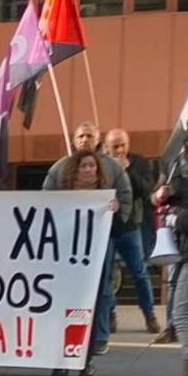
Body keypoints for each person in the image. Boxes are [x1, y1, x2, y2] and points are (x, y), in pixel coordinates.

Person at [43, 122, 133, 359]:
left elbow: (125, 195)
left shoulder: (113, 168)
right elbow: (46, 200)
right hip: (66, 243)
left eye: (89, 136)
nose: (85, 139)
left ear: (97, 139)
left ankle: (99, 337)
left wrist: (117, 215)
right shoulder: (59, 168)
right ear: (74, 140)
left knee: (102, 288)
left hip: (101, 241)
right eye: (81, 135)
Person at [45, 149, 120, 376]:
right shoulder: (62, 197)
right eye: (83, 166)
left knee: (89, 308)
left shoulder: (106, 198)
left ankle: (83, 360)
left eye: (92, 166)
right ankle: (59, 360)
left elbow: (117, 232)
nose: (88, 170)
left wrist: (114, 212)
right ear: (74, 170)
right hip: (65, 262)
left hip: (94, 261)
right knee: (62, 308)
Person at [103, 128, 160, 334]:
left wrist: (127, 170)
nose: (120, 149)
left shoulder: (140, 162)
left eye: (123, 145)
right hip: (105, 228)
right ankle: (110, 316)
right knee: (108, 275)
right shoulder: (100, 163)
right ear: (106, 147)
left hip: (130, 226)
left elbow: (146, 192)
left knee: (139, 272)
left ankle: (149, 314)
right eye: (115, 146)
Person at [154, 126, 188, 376]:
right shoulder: (176, 168)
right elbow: (156, 195)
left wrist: (174, 218)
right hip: (183, 246)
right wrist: (161, 196)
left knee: (181, 309)